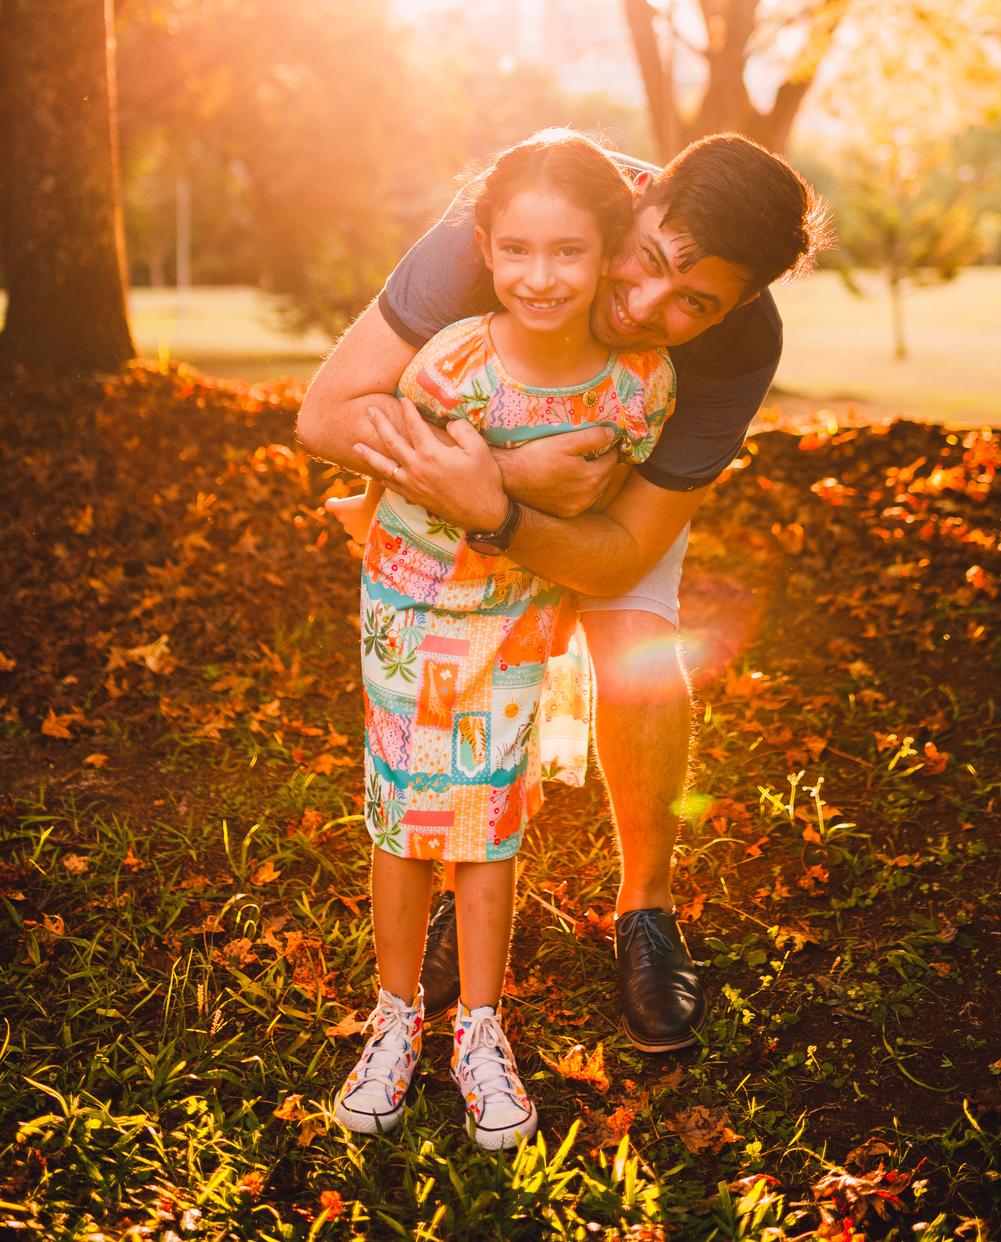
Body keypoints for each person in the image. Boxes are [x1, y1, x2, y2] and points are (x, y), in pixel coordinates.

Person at [297, 131, 824, 1057]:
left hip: (620, 478)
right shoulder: (522, 217)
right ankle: (454, 913)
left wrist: (501, 512)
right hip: (480, 457)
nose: (650, 304)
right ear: (641, 196)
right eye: (650, 261)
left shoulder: (743, 344)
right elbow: (329, 413)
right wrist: (498, 481)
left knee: (638, 651)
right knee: (451, 686)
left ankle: (646, 911)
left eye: (694, 302)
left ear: (737, 305)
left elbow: (620, 554)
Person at [327, 132, 675, 1148]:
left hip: (519, 614)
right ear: (484, 246)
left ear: (611, 250)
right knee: (404, 813)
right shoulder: (452, 362)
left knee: (488, 816)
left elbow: (608, 520)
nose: (540, 275)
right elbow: (392, 465)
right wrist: (449, 484)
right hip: (410, 604)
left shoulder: (636, 387)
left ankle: (481, 1029)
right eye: (516, 249)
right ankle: (397, 1019)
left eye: (568, 251)